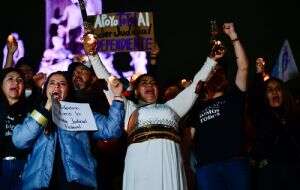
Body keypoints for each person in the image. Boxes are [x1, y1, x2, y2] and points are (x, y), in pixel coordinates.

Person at [82, 32, 220, 190]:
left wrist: (212, 60)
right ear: (136, 92)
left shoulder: (172, 107)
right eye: (144, 83)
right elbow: (107, 81)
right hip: (140, 168)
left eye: (152, 82)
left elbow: (197, 85)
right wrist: (93, 55)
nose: (149, 85)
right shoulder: (129, 109)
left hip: (171, 167)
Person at [12, 71, 125, 189]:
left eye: (62, 83)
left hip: (77, 183)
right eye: (52, 83)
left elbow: (111, 131)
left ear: (68, 89)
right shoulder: (34, 114)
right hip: (39, 185)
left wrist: (117, 97)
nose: (57, 86)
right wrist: (47, 108)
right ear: (45, 89)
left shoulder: (82, 112)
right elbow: (19, 141)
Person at [183, 22, 250, 190]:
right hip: (207, 169)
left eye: (220, 72)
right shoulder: (197, 106)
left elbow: (243, 67)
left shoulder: (234, 97)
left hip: (235, 164)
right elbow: (189, 138)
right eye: (212, 72)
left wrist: (233, 36)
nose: (216, 75)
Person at [251, 77, 300, 190]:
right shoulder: (260, 117)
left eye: (278, 88)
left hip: (293, 171)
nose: (274, 92)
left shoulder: (294, 116)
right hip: (270, 173)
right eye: (269, 89)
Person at [0, 68, 31, 190]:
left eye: (20, 80)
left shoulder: (31, 110)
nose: (16, 83)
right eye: (10, 79)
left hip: (22, 168)